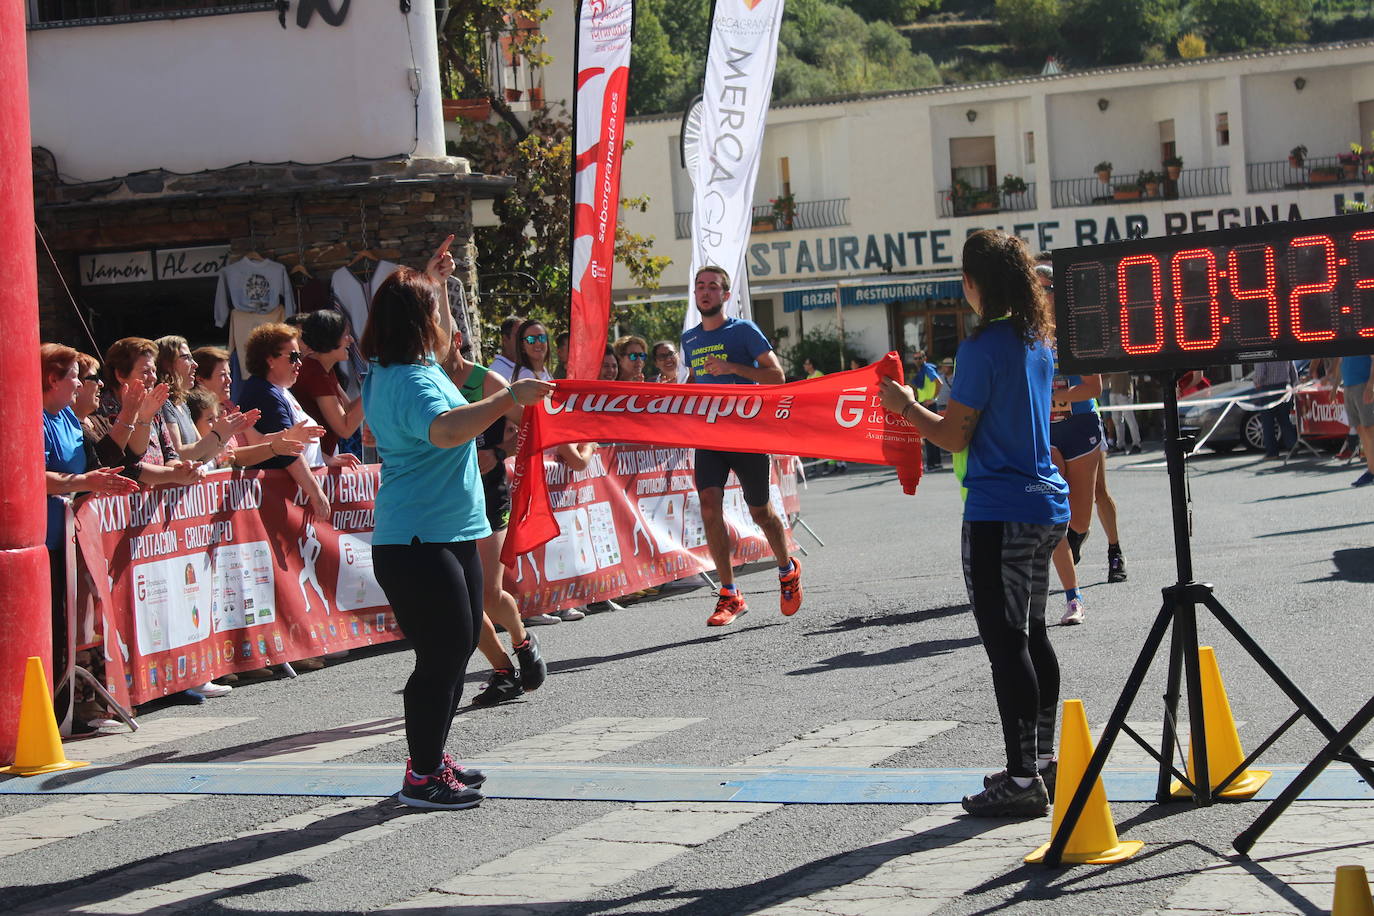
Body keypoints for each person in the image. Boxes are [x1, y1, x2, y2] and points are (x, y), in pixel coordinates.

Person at [878, 229, 1068, 817]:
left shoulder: (983, 347)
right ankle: (1042, 761)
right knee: (1033, 634)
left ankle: (1020, 779)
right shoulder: (1036, 339)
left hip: (998, 510)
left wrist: (907, 407)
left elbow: (954, 432)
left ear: (974, 283)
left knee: (1005, 644)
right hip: (1044, 506)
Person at [361, 240, 553, 809]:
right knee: (441, 656)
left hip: (444, 531)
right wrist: (508, 399)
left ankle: (431, 756)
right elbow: (445, 430)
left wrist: (437, 284)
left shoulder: (409, 366)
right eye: (430, 314)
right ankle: (420, 776)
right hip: (417, 539)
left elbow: (445, 341)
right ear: (412, 325)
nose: (440, 329)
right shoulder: (409, 381)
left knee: (459, 646)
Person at [680, 265, 802, 627]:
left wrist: (733, 366)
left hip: (747, 434)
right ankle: (730, 593)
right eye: (700, 286)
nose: (705, 292)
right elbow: (694, 380)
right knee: (708, 505)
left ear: (725, 295)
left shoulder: (744, 331)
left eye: (713, 287)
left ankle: (787, 569)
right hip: (710, 436)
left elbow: (776, 376)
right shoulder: (690, 339)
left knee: (760, 513)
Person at [442, 325, 553, 705]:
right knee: (460, 603)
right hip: (446, 499)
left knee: (488, 594)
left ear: (455, 340)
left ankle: (523, 641)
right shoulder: (420, 380)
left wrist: (501, 454)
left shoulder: (484, 379)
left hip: (488, 496)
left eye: (435, 338)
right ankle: (504, 671)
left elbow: (531, 425)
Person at [42, 344, 140, 719]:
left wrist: (130, 414)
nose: (85, 384)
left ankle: (70, 706)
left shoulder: (68, 416)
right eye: (77, 377)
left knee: (73, 626)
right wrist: (84, 480)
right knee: (53, 625)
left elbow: (104, 461)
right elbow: (34, 475)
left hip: (72, 538)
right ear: (54, 379)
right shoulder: (34, 416)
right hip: (45, 538)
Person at [154, 335, 257, 464]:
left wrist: (225, 435)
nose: (195, 365)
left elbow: (203, 457)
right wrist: (218, 434)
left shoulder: (182, 403)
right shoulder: (164, 403)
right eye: (187, 358)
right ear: (167, 364)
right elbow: (178, 455)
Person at [293, 310, 365, 460]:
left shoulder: (322, 368)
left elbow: (347, 409)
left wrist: (373, 385)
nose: (351, 340)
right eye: (345, 334)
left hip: (321, 456)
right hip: (312, 460)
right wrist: (376, 389)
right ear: (330, 338)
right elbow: (345, 429)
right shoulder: (314, 373)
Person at [1328, 355, 1374, 486]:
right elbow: (1341, 363)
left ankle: (1372, 471)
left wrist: (1371, 385)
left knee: (1369, 429)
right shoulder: (1345, 338)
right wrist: (1335, 387)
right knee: (1360, 429)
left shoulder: (1364, 336)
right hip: (1348, 387)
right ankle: (1371, 471)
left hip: (1363, 385)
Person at [1252, 359, 1298, 460]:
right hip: (1284, 388)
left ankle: (1272, 452)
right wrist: (1294, 385)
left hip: (1267, 390)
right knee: (1285, 420)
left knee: (1268, 423)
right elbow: (1293, 372)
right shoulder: (1285, 351)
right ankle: (1292, 446)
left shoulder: (1262, 352)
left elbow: (1260, 374)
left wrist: (1256, 383)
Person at [910, 351, 944, 470]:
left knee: (929, 434)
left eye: (920, 358)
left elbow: (939, 383)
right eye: (916, 358)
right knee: (931, 434)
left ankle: (932, 463)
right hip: (924, 404)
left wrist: (933, 399)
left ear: (925, 358)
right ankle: (936, 462)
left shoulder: (927, 369)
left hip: (928, 405)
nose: (918, 360)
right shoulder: (922, 371)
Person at [489, 315, 523, 380]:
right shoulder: (497, 373)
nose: (524, 341)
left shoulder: (525, 368)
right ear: (505, 339)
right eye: (519, 336)